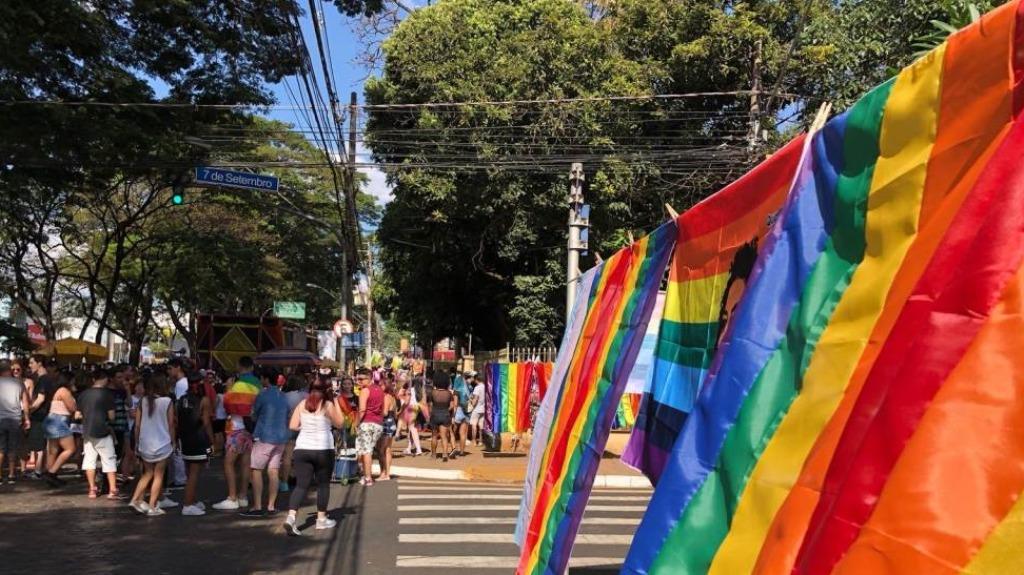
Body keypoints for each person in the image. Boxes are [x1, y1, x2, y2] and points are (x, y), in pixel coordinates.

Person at [283, 376, 345, 536]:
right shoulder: (328, 405)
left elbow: (292, 425)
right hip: (323, 449)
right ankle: (321, 520)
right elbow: (340, 423)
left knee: (301, 485)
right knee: (323, 485)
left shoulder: (302, 404)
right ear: (326, 391)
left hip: (302, 448)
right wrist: (336, 401)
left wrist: (305, 427)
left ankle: (291, 517)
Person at [243, 367, 290, 517]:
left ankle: (257, 506)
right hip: (281, 437)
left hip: (265, 436)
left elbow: (253, 414)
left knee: (256, 470)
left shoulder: (262, 395)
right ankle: (271, 506)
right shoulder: (283, 396)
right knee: (273, 471)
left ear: (266, 379)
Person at [214, 357, 259, 511]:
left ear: (239, 366)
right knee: (246, 463)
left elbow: (228, 406)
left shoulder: (238, 385)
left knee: (228, 462)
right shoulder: (257, 384)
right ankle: (243, 496)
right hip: (250, 430)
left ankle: (232, 497)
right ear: (252, 367)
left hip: (236, 429)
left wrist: (228, 390)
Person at [131, 373, 176, 516]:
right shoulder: (167, 401)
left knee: (147, 473)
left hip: (145, 443)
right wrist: (173, 441)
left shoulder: (142, 401)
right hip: (162, 443)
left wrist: (137, 442)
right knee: (158, 475)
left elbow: (137, 425)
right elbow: (171, 424)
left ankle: (135, 499)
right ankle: (152, 506)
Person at [76, 369, 121, 499]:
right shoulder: (107, 394)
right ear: (105, 379)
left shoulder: (83, 394)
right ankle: (112, 490)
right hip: (103, 431)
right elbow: (112, 416)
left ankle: (92, 489)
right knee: (109, 460)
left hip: (87, 431)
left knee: (89, 460)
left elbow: (77, 415)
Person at [177, 371, 214, 516]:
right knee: (195, 473)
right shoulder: (204, 400)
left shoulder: (181, 399)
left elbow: (177, 419)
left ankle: (192, 500)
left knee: (189, 471)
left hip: (185, 437)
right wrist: (211, 440)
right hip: (198, 438)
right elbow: (206, 422)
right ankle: (187, 504)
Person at [41, 371, 77, 487]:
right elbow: (72, 407)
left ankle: (51, 475)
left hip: (52, 420)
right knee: (70, 449)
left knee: (53, 451)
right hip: (59, 421)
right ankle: (52, 473)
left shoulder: (58, 390)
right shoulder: (64, 391)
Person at [0, 361, 30, 485]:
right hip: (14, 419)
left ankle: (0, 475)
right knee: (13, 447)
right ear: (10, 369)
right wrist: (27, 418)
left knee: (0, 448)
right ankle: (12, 474)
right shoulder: (19, 383)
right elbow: (25, 403)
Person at [24, 355, 51, 477]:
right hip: (42, 416)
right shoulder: (43, 379)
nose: (30, 366)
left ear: (39, 363)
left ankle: (38, 471)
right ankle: (41, 469)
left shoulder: (44, 379)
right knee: (41, 445)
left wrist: (29, 411)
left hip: (40, 416)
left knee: (39, 445)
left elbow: (41, 399)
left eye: (32, 363)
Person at [355, 368, 384, 486]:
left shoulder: (365, 391)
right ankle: (364, 474)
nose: (359, 381)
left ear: (370, 378)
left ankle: (368, 477)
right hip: (378, 424)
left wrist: (356, 423)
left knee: (366, 451)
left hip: (367, 423)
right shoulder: (380, 390)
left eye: (362, 379)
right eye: (357, 379)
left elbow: (362, 410)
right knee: (367, 450)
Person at [281, 375, 309, 493]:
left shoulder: (284, 397)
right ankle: (301, 479)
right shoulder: (306, 396)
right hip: (304, 428)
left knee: (287, 455)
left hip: (289, 427)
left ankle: (285, 482)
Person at [166, 358, 189, 488]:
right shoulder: (181, 383)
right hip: (183, 421)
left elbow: (179, 405)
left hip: (181, 422)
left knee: (178, 451)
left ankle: (181, 479)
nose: (168, 372)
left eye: (170, 368)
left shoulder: (181, 384)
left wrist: (177, 421)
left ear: (178, 368)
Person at [428, 371, 456, 462]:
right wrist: (446, 410)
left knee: (434, 436)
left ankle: (433, 454)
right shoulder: (449, 393)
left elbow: (430, 406)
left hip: (435, 414)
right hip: (445, 415)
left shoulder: (433, 393)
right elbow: (452, 406)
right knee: (444, 436)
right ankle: (445, 454)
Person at [377, 375, 398, 481]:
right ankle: (387, 474)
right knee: (388, 450)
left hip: (386, 423)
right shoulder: (393, 397)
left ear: (385, 386)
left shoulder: (385, 397)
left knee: (381, 450)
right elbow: (395, 414)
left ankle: (383, 473)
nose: (379, 386)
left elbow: (384, 412)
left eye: (381, 385)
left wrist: (376, 412)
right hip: (392, 423)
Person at [399, 378, 423, 456]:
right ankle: (409, 448)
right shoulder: (417, 390)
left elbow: (404, 402)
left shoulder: (407, 390)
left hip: (409, 409)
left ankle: (418, 449)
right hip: (416, 408)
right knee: (411, 429)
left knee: (412, 429)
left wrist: (400, 411)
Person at [452, 372, 471, 458]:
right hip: (467, 411)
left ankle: (453, 449)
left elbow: (455, 404)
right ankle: (462, 452)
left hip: (459, 410)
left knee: (452, 432)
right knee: (463, 433)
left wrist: (453, 415)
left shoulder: (457, 390)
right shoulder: (469, 387)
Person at [468, 372, 485, 446]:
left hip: (477, 409)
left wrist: (471, 401)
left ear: (476, 379)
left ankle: (474, 441)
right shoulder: (486, 386)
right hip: (483, 408)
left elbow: (475, 400)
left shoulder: (477, 388)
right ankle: (481, 441)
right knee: (481, 425)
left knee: (474, 425)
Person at [212, 377, 227, 457]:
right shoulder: (225, 396)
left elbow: (215, 405)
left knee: (217, 434)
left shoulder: (217, 396)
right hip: (224, 417)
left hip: (217, 417)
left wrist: (213, 412)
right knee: (222, 433)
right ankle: (222, 449)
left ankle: (218, 450)